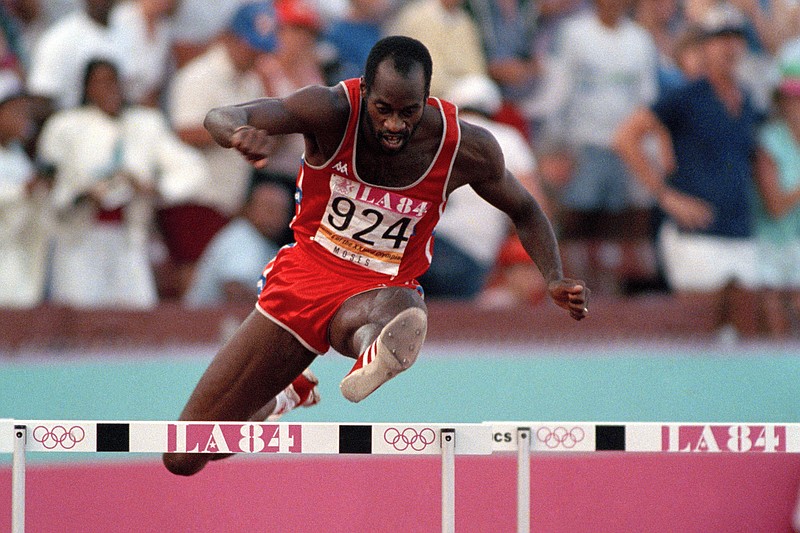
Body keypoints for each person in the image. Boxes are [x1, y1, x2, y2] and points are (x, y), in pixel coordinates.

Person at [162, 36, 588, 477]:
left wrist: (553, 276)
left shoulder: (465, 147)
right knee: (184, 456)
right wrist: (236, 132)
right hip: (303, 279)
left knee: (400, 311)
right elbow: (223, 114)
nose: (394, 125)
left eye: (409, 112)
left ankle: (374, 350)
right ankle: (283, 395)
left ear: (428, 99)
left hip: (379, 289)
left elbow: (525, 208)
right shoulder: (327, 110)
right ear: (364, 90)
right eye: (383, 109)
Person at [613, 2, 763, 338]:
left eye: (736, 38)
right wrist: (667, 196)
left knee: (747, 330)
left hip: (740, 230)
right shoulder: (686, 97)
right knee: (697, 329)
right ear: (704, 47)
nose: (730, 47)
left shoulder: (748, 100)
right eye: (720, 39)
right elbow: (625, 138)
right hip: (697, 235)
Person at [37, 58, 207, 309]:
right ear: (86, 88)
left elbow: (192, 168)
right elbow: (48, 179)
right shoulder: (65, 125)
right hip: (79, 237)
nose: (108, 89)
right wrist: (80, 194)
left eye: (113, 81)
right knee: (80, 314)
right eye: (99, 83)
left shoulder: (146, 124)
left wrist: (155, 187)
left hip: (129, 238)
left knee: (136, 311)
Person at [162, 1, 277, 297]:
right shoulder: (199, 75)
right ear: (228, 38)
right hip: (195, 195)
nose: (253, 56)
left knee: (216, 273)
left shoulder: (252, 82)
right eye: (249, 47)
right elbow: (182, 132)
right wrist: (235, 135)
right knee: (193, 277)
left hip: (228, 196)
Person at [183, 180, 293, 307]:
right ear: (249, 208)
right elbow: (235, 290)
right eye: (269, 208)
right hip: (203, 322)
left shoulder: (267, 245)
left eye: (282, 211)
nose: (275, 216)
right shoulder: (243, 237)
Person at [752, 59, 800, 337]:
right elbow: (775, 207)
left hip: (796, 243)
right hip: (769, 246)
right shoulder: (769, 140)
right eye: (792, 98)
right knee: (774, 322)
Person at [0, 70, 52, 308]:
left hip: (19, 255)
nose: (24, 120)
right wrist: (22, 191)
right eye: (17, 112)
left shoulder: (19, 157)